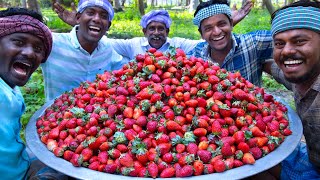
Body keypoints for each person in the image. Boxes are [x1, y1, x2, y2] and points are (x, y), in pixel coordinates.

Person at [51, 0, 253, 61]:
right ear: (144, 30)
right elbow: (101, 39)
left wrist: (227, 25)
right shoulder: (133, 45)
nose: (156, 33)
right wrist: (78, 25)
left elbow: (208, 40)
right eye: (152, 28)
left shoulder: (178, 44)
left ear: (167, 31)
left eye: (161, 29)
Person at [0, 7, 67, 179]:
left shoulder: (11, 88)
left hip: (21, 167)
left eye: (38, 48)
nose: (30, 53)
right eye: (19, 42)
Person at [266, 0, 320, 179]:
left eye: (299, 41)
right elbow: (273, 67)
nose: (287, 51)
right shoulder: (299, 76)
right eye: (279, 44)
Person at [41, 0, 127, 102]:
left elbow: (128, 70)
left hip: (95, 115)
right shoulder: (54, 43)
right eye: (90, 13)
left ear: (108, 26)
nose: (97, 19)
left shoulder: (107, 48)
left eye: (103, 16)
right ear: (77, 18)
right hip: (55, 115)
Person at [187, 0, 273, 87]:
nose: (217, 32)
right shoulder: (195, 55)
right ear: (201, 34)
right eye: (208, 28)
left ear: (231, 24)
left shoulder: (252, 43)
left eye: (221, 24)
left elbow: (282, 37)